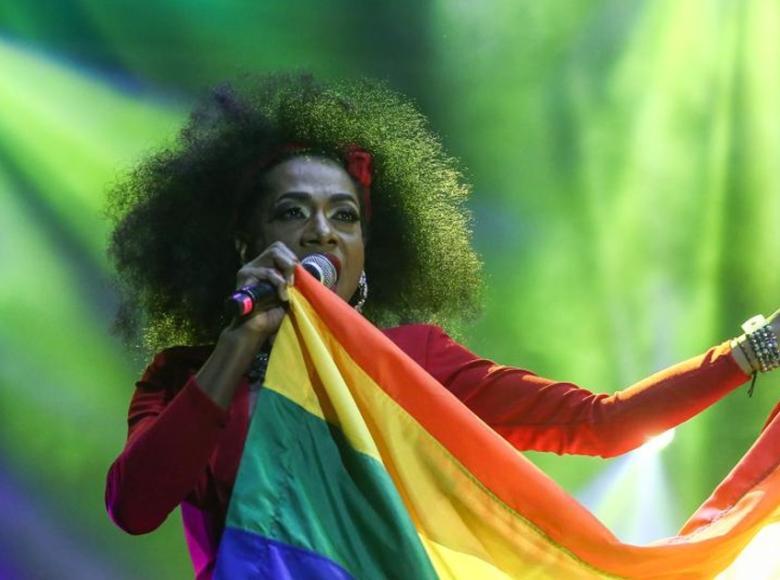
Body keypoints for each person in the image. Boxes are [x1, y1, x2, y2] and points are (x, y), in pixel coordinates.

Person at [104, 74, 778, 580]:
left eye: (345, 217)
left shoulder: (412, 362)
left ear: (367, 252)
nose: (321, 231)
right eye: (292, 211)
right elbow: (135, 509)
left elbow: (604, 424)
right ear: (244, 241)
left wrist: (755, 349)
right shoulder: (186, 379)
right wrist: (239, 344)